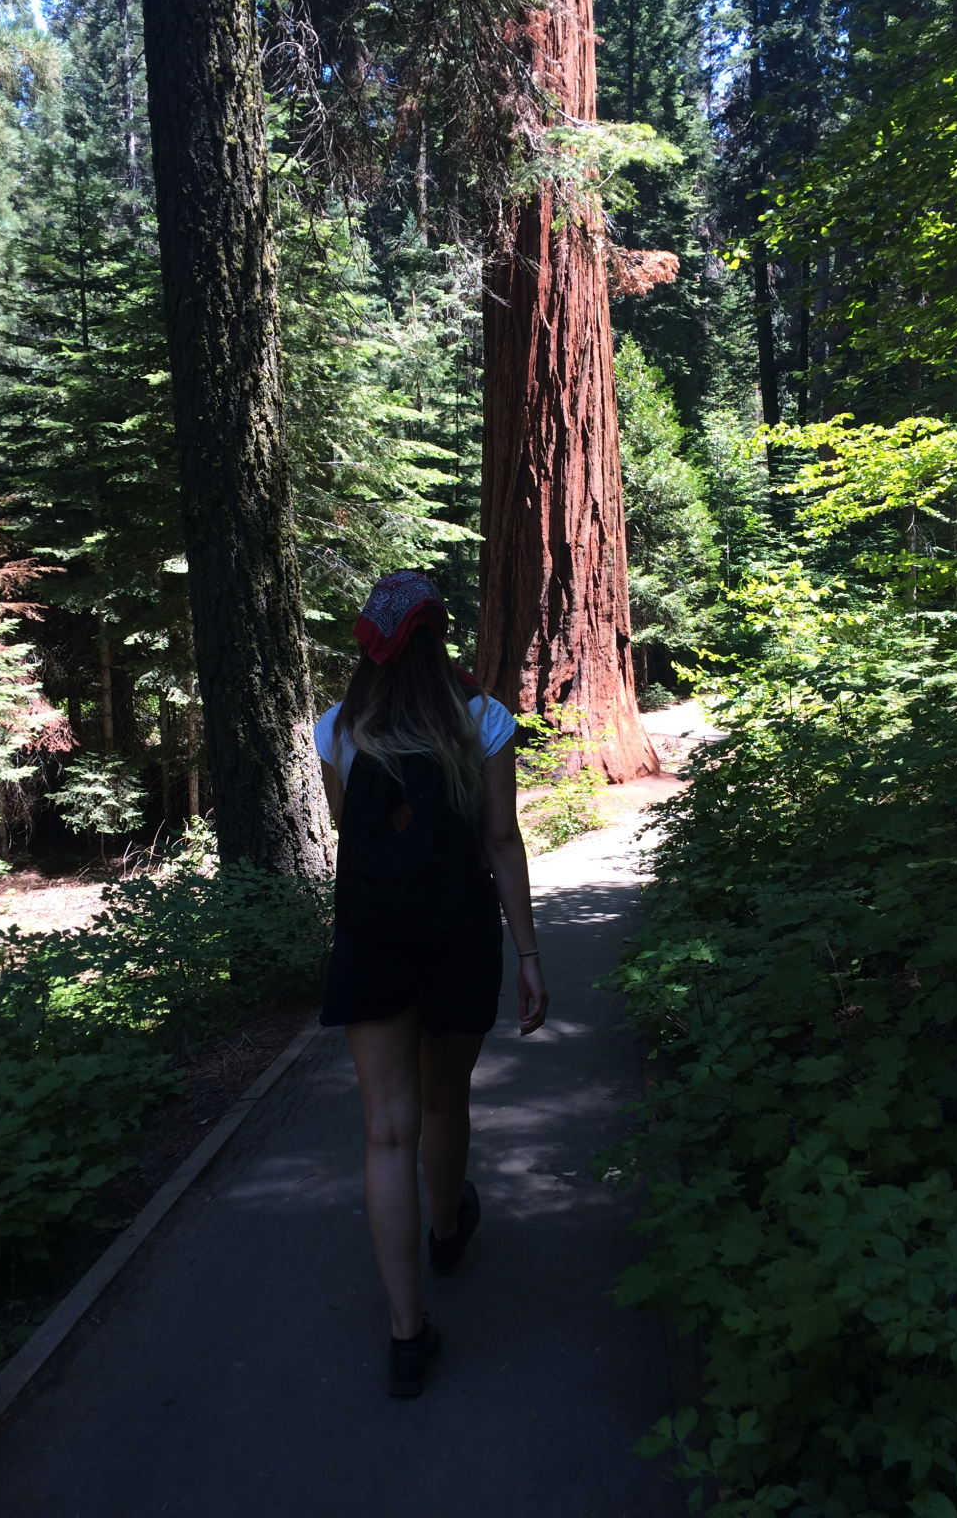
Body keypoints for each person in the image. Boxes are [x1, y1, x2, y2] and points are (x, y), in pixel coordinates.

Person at [313, 570, 549, 1398]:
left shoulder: (336, 728)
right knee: (446, 1102)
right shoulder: (481, 721)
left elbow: (351, 830)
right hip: (457, 940)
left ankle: (406, 1337)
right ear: (438, 636)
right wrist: (527, 954)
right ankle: (447, 1231)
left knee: (386, 1130)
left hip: (372, 943)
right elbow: (502, 840)